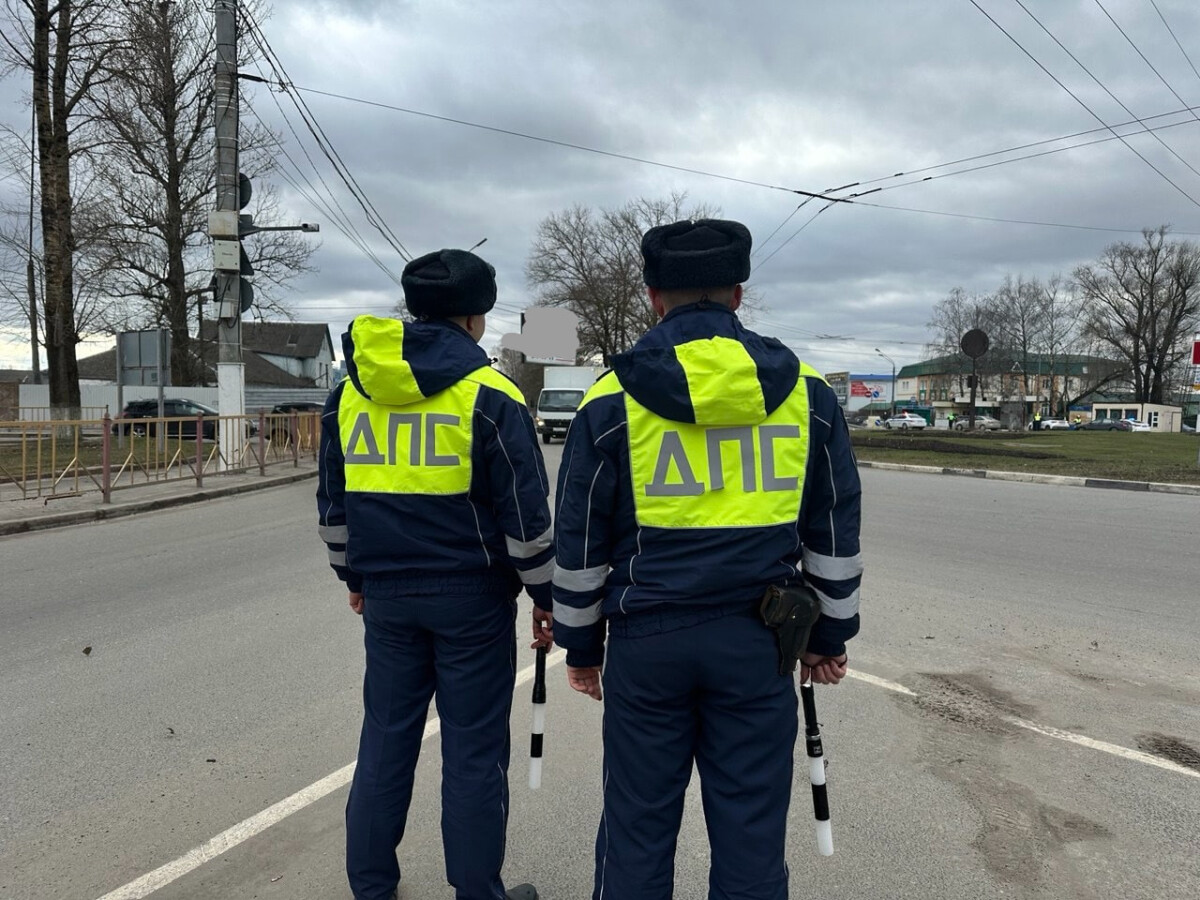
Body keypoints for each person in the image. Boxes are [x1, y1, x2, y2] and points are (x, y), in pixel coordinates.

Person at [551, 219, 863, 899]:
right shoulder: (808, 396)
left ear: (653, 294)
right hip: (759, 645)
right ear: (739, 293)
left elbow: (577, 544)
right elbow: (834, 532)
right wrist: (828, 636)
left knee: (636, 828)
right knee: (751, 836)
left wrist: (579, 646)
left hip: (647, 645)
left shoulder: (609, 400)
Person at [317, 248, 551, 900]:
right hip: (472, 601)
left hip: (388, 599)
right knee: (474, 754)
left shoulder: (349, 394)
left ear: (414, 307)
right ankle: (478, 893)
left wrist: (353, 577)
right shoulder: (491, 395)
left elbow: (334, 508)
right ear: (476, 318)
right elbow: (526, 517)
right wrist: (547, 595)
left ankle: (372, 890)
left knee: (386, 743)